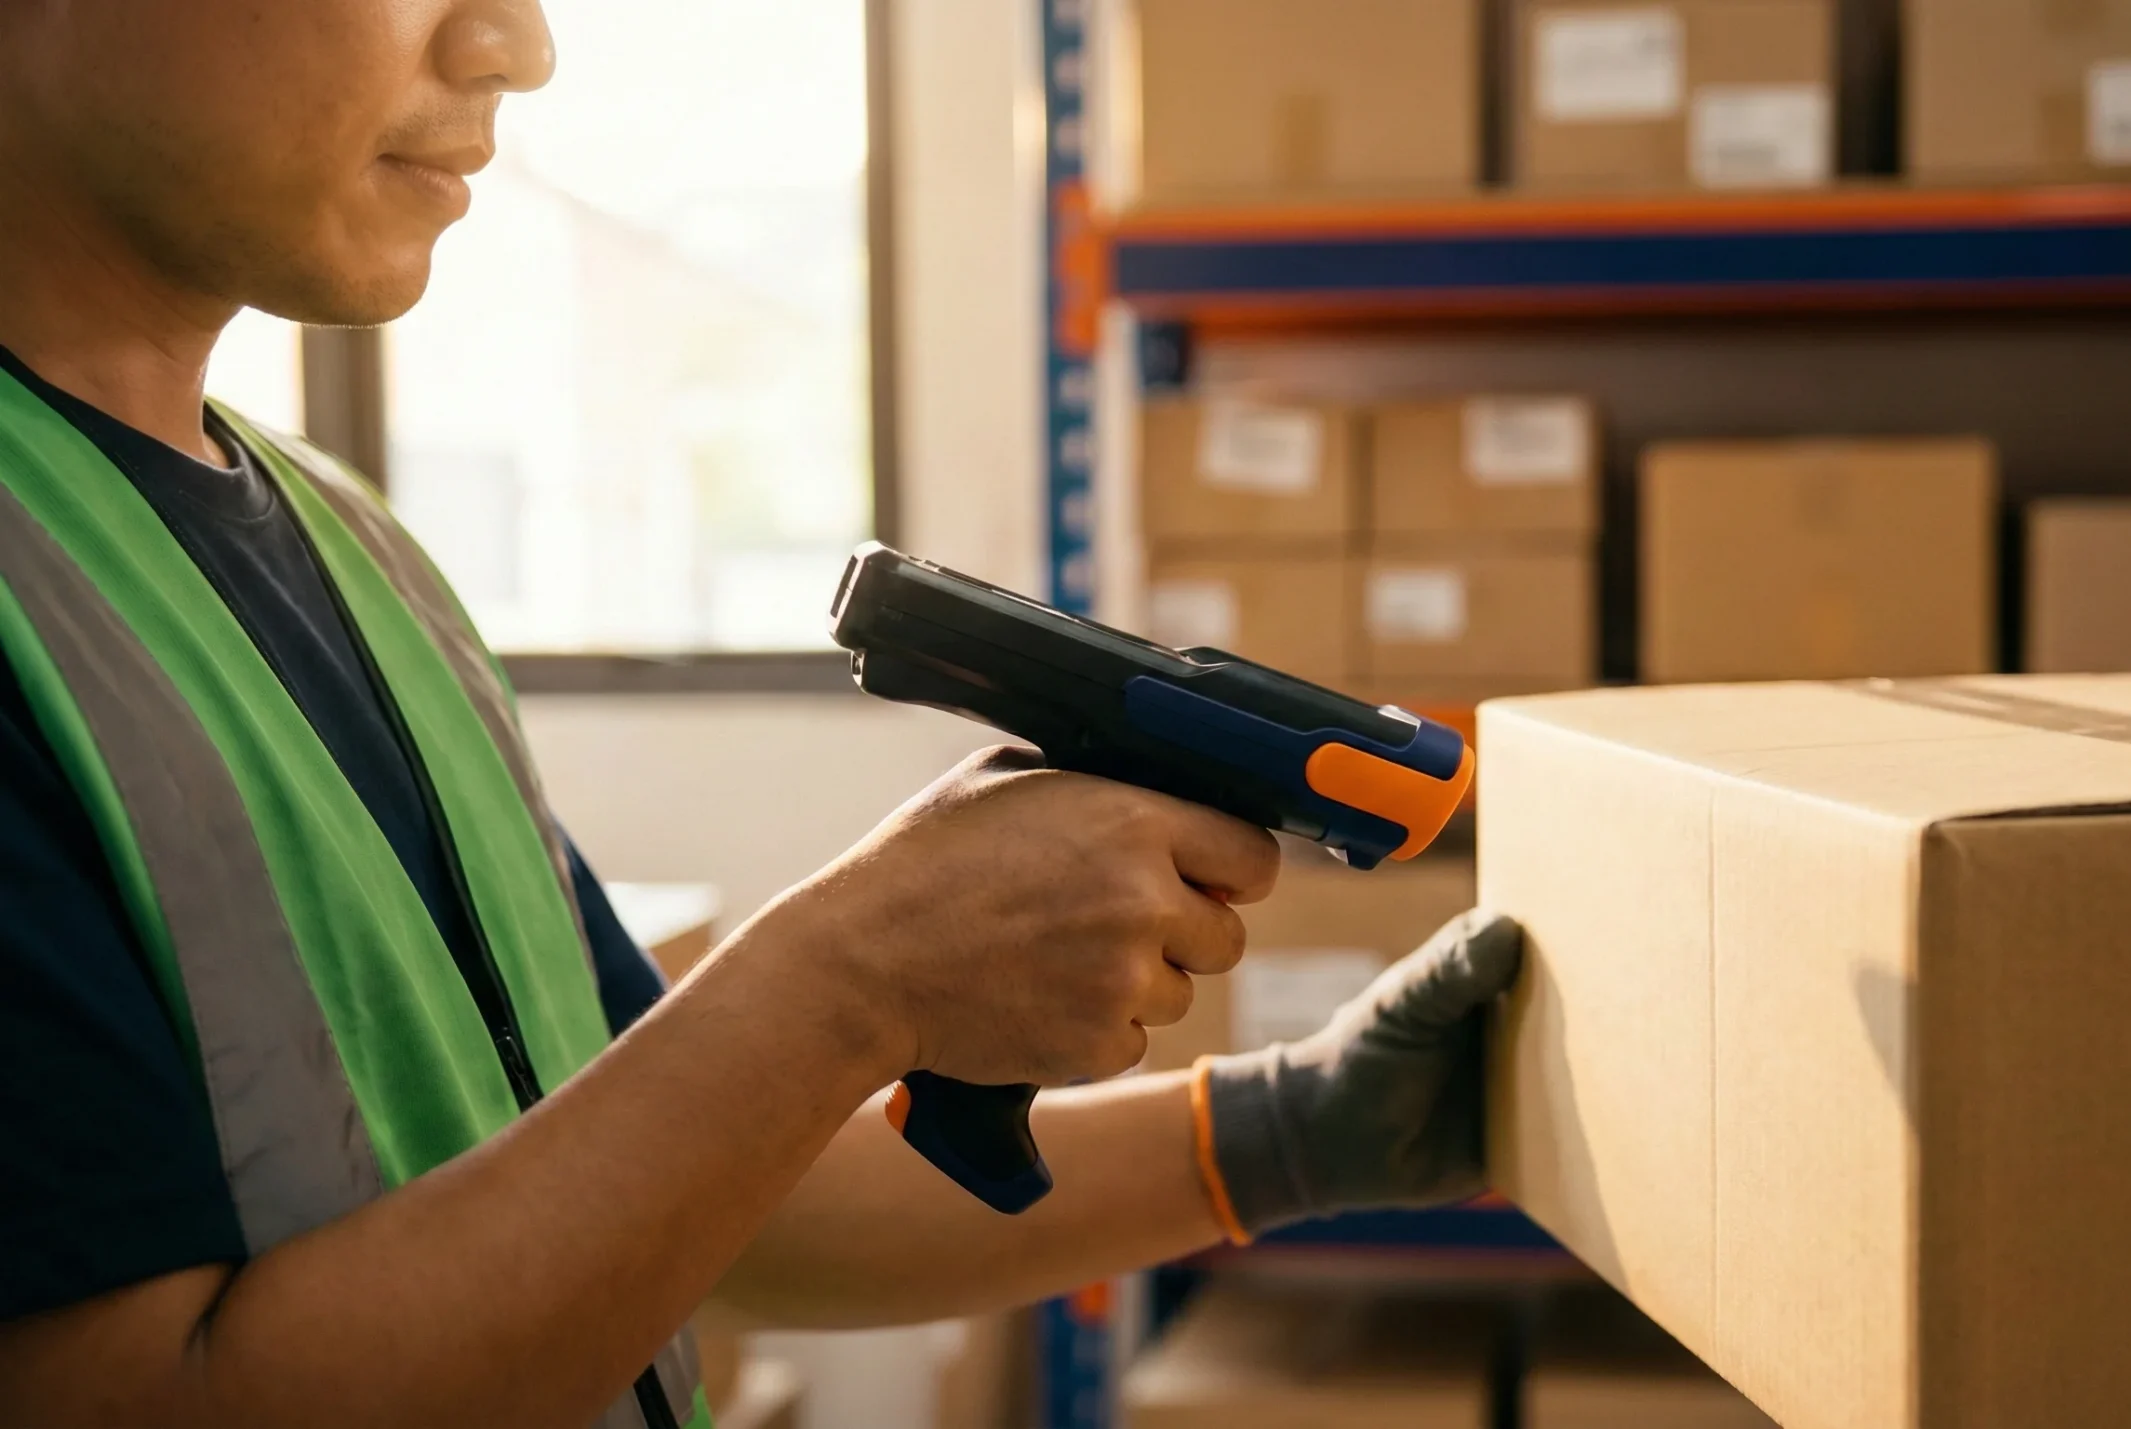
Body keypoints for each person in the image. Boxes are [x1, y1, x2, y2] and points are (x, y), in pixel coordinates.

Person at [0, 2, 1523, 1425]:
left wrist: (1302, 1127)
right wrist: (848, 983)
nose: (516, 46)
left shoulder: (352, 541)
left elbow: (673, 1198)